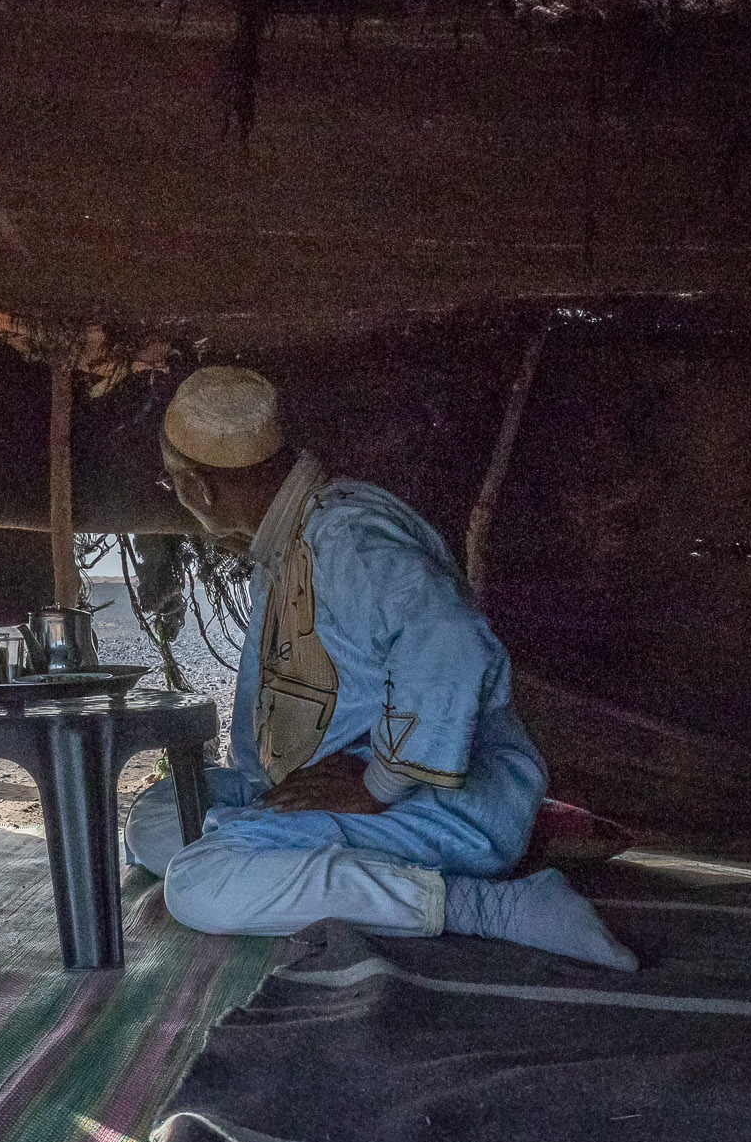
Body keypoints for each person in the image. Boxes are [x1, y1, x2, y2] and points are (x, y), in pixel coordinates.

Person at [123, 367, 636, 970]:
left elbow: (448, 639)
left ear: (199, 489)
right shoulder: (294, 537)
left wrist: (377, 786)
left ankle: (488, 906)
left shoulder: (347, 537)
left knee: (198, 886)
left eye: (172, 483)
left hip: (436, 803)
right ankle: (295, 856)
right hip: (335, 782)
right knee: (153, 822)